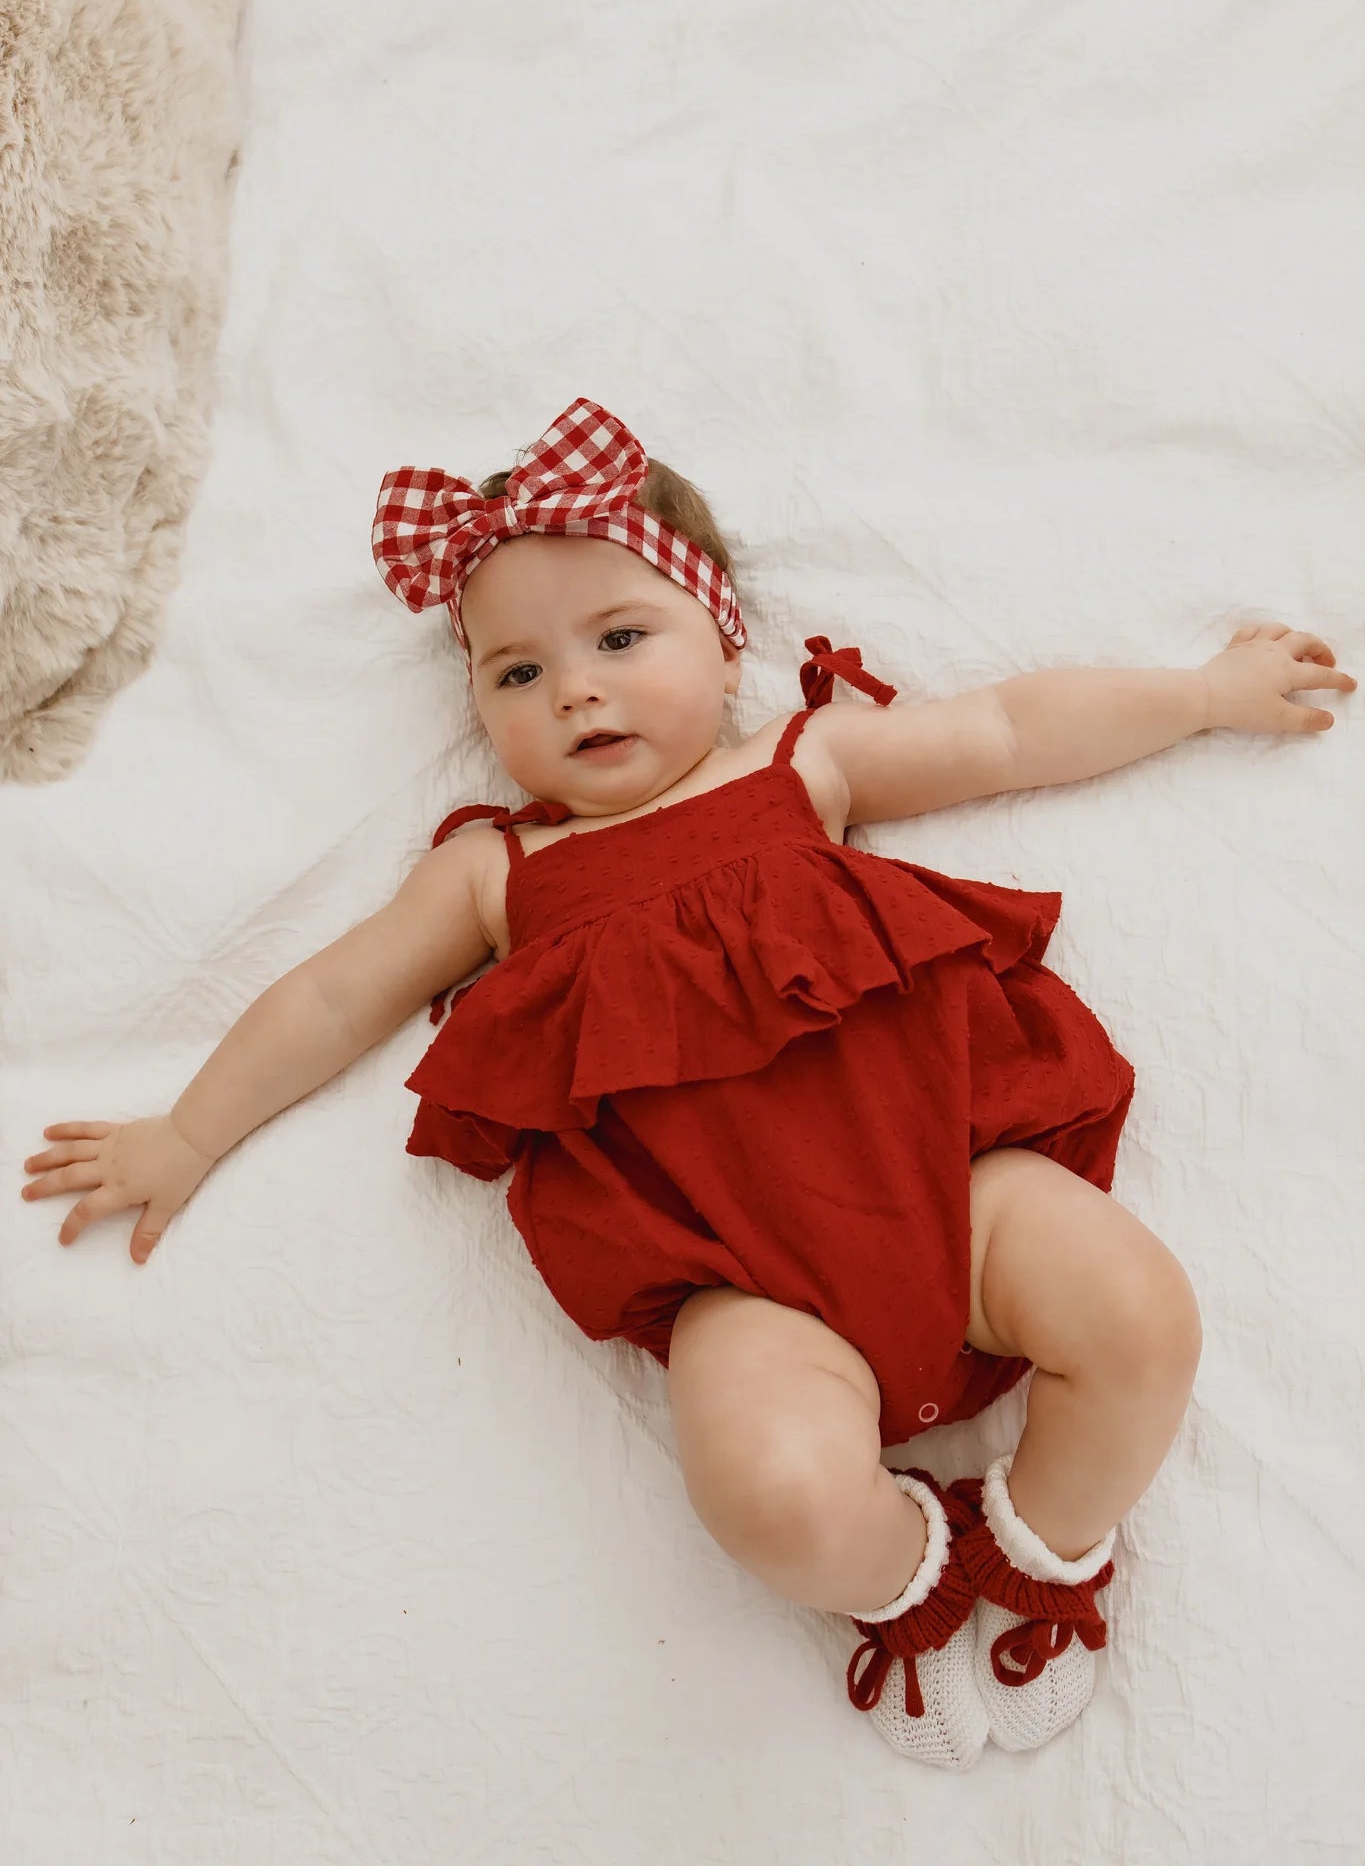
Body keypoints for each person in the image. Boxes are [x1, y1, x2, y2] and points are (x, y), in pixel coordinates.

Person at [21, 398, 1355, 1768]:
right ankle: (904, 1574)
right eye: (515, 674)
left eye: (616, 639)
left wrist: (1197, 695)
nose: (575, 691)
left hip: (956, 1195)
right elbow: (333, 992)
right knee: (767, 1494)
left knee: (1137, 1314)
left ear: (724, 647)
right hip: (744, 1284)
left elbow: (1008, 731)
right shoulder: (499, 872)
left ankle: (1045, 1552)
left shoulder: (800, 764)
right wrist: (186, 1131)